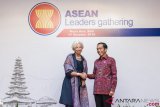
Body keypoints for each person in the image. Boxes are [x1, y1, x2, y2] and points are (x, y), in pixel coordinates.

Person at [59, 41, 89, 107]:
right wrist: (80, 74)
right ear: (74, 48)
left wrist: (83, 80)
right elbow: (68, 71)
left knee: (80, 102)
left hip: (80, 84)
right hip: (70, 83)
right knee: (70, 103)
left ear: (82, 48)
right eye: (76, 47)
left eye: (80, 47)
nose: (78, 48)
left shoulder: (84, 59)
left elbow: (85, 72)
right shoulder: (69, 57)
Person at [87, 42, 117, 107]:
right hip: (97, 90)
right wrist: (86, 75)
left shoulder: (111, 60)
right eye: (97, 49)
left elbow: (114, 75)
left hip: (107, 91)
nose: (98, 50)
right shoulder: (96, 61)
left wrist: (112, 89)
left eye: (100, 48)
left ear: (105, 49)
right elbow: (94, 75)